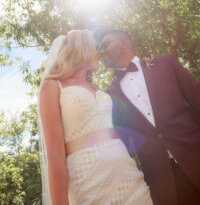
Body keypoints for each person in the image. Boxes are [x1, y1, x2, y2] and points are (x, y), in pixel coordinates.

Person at [39, 29, 153, 205]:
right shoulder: (53, 86)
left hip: (129, 177)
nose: (100, 52)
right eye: (96, 47)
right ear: (82, 48)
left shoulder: (97, 88)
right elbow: (54, 156)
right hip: (88, 184)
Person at [100, 29, 200, 205]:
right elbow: (122, 145)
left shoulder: (165, 63)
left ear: (124, 42)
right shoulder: (110, 94)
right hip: (163, 184)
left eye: (105, 44)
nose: (102, 51)